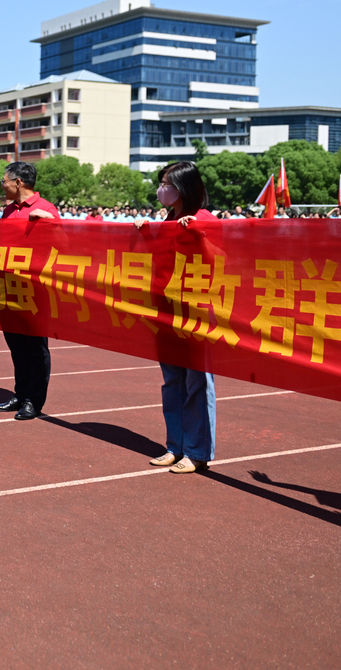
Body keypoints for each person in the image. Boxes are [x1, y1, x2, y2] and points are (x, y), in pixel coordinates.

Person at [136, 161, 218, 474]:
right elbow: (158, 261)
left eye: (166, 184)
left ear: (183, 188)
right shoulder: (167, 221)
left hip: (196, 312)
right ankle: (175, 446)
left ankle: (197, 452)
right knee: (172, 381)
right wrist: (145, 233)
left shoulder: (204, 219)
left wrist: (199, 235)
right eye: (160, 183)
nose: (160, 190)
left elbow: (223, 259)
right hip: (167, 309)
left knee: (197, 382)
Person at [0, 161, 58, 421]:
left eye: (4, 181)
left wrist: (50, 222)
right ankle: (20, 393)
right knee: (16, 345)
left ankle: (33, 401)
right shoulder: (8, 210)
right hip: (9, 288)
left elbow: (64, 241)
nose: (2, 186)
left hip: (35, 290)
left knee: (35, 347)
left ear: (18, 182)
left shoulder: (46, 209)